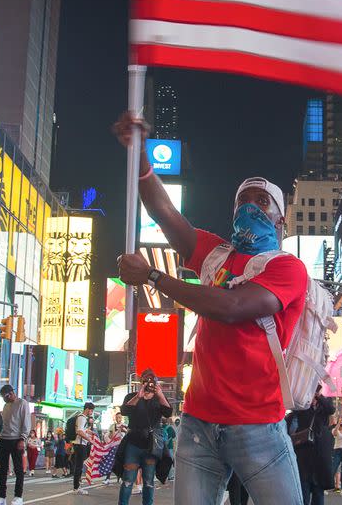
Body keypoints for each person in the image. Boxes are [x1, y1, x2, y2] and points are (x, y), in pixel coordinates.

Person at [114, 113, 308, 505]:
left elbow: (233, 307)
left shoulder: (287, 268)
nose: (250, 206)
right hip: (198, 426)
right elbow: (165, 214)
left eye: (261, 201)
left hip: (258, 427)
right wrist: (139, 158)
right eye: (243, 200)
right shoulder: (215, 253)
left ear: (280, 219)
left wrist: (153, 276)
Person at [118, 368, 173, 505]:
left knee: (148, 482)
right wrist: (138, 396)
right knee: (127, 481)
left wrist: (160, 395)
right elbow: (124, 411)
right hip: (133, 444)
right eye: (146, 380)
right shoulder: (132, 396)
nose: (149, 383)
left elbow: (168, 413)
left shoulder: (158, 397)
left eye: (152, 380)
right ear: (141, 381)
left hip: (151, 446)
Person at [286, 385, 335, 505]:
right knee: (304, 490)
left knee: (318, 491)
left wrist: (318, 396)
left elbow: (331, 409)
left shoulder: (323, 406)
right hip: (303, 452)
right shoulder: (303, 407)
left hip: (319, 454)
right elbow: (293, 411)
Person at [0, 384, 30, 505]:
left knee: (18, 469)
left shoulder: (22, 403)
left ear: (10, 394)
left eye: (4, 397)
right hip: (4, 439)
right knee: (3, 469)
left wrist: (23, 438)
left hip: (17, 440)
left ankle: (18, 496)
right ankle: (2, 497)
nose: (4, 400)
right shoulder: (6, 406)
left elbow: (26, 422)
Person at [73, 401, 96, 495]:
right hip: (80, 444)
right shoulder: (82, 418)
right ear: (87, 409)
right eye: (91, 410)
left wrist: (89, 432)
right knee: (78, 466)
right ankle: (76, 487)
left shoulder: (82, 418)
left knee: (79, 466)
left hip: (80, 444)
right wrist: (89, 439)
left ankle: (77, 486)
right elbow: (79, 431)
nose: (91, 412)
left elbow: (82, 430)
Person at [104, 414, 127, 485]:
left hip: (122, 447)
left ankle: (120, 477)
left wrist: (124, 430)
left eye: (119, 417)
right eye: (117, 417)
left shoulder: (125, 425)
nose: (118, 419)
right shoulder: (112, 426)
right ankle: (107, 478)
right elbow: (109, 436)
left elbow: (128, 434)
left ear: (122, 418)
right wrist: (112, 433)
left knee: (121, 462)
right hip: (114, 446)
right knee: (111, 462)